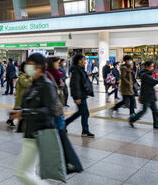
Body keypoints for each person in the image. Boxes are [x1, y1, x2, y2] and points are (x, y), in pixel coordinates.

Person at [10, 53, 59, 185]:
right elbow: (31, 104)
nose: (27, 67)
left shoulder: (46, 85)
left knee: (22, 173)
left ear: (38, 67)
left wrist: (24, 113)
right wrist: (19, 110)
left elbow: (49, 111)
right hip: (30, 131)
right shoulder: (34, 83)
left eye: (30, 64)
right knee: (29, 172)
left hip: (38, 133)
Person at [129, 61, 158, 130]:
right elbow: (152, 82)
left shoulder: (147, 74)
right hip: (146, 96)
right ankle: (132, 119)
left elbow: (151, 82)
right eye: (151, 66)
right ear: (146, 67)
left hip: (150, 95)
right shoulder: (144, 75)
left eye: (153, 66)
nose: (152, 68)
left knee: (155, 111)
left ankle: (157, 125)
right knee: (144, 110)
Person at [65, 54, 95, 137]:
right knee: (84, 113)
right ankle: (84, 130)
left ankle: (83, 130)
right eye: (83, 60)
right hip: (80, 95)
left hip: (82, 94)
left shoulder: (80, 69)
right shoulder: (76, 71)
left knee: (83, 112)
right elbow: (74, 85)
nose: (85, 61)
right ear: (79, 61)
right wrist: (77, 97)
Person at [6, 62, 32, 127]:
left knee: (19, 110)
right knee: (17, 109)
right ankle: (10, 120)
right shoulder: (22, 76)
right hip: (21, 97)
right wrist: (31, 78)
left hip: (23, 96)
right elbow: (25, 83)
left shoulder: (25, 76)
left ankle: (11, 121)